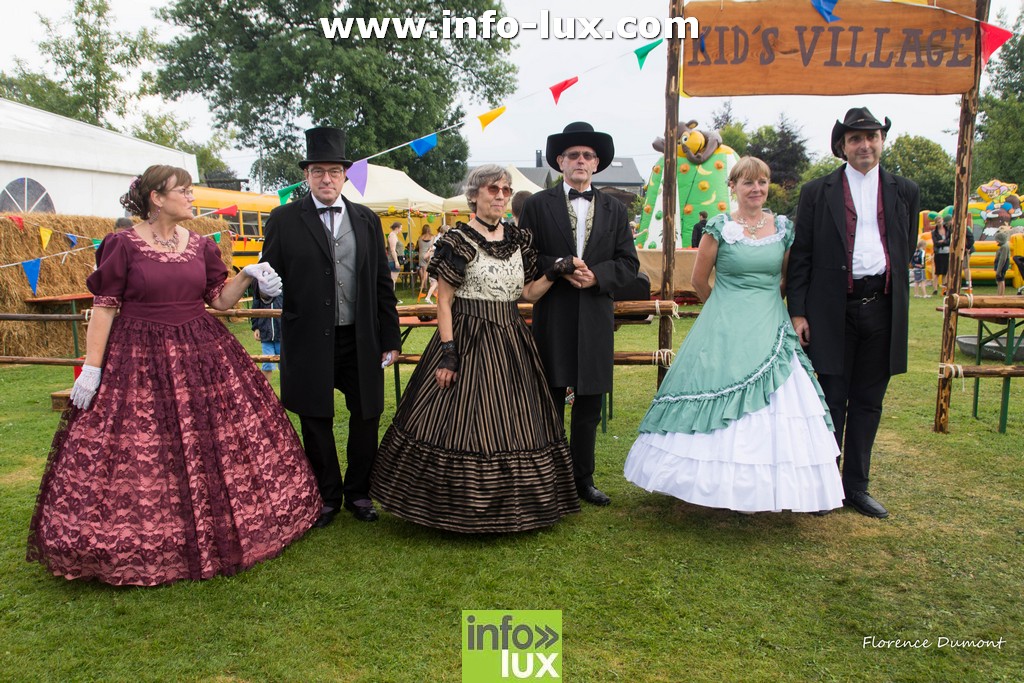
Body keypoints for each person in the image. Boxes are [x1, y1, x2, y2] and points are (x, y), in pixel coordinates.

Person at [27, 165, 321, 586]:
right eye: (181, 190)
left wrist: (246, 275)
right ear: (156, 199)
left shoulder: (201, 245)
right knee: (143, 445)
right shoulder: (122, 244)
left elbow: (219, 301)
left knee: (211, 440)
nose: (190, 196)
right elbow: (106, 306)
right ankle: (143, 541)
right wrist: (92, 367)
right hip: (138, 355)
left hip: (202, 349)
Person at [624, 157, 843, 514]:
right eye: (748, 183)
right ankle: (702, 485)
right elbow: (698, 279)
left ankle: (769, 488)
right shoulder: (719, 227)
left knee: (780, 402)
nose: (756, 189)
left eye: (762, 182)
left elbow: (787, 278)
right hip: (722, 321)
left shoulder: (784, 228)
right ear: (734, 187)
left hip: (769, 321)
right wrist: (720, 308)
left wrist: (770, 304)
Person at [370, 165, 579, 532]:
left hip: (511, 338)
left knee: (515, 420)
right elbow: (445, 302)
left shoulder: (519, 240)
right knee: (458, 420)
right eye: (492, 189)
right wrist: (449, 352)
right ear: (474, 195)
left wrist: (553, 272)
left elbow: (527, 294)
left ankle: (516, 506)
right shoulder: (457, 240)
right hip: (467, 334)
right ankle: (452, 508)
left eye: (505, 190)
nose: (500, 196)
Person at [260, 127, 402, 527]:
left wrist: (390, 337)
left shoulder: (366, 219)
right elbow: (268, 276)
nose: (326, 178)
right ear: (306, 175)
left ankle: (359, 492)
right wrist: (264, 301)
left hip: (360, 337)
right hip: (308, 338)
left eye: (334, 171)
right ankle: (326, 495)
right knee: (315, 417)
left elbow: (381, 284)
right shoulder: (285, 219)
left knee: (367, 414)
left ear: (344, 176)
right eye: (318, 171)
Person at [787, 107, 920, 519]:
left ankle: (856, 486)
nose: (865, 144)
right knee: (832, 398)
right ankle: (826, 483)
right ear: (842, 147)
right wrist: (798, 312)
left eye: (872, 136)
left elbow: (904, 245)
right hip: (831, 309)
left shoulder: (905, 190)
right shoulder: (816, 191)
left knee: (869, 400)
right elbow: (801, 256)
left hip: (881, 306)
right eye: (855, 139)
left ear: (882, 140)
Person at [518, 121, 640, 507]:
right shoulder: (538, 205)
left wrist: (596, 277)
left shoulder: (615, 209)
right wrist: (560, 265)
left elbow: (628, 263)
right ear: (560, 161)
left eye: (587, 156)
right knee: (550, 397)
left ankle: (582, 479)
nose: (580, 161)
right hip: (553, 310)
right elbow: (525, 257)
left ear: (597, 163)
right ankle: (549, 477)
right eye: (573, 155)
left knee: (588, 403)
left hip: (594, 315)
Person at [251, 281, 283, 382]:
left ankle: (288, 392)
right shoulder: (260, 290)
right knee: (267, 364)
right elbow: (255, 309)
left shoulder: (282, 289)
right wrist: (256, 327)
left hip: (281, 334)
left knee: (284, 365)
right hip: (265, 334)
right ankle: (265, 392)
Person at [930, 215, 950, 295]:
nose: (940, 223)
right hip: (938, 253)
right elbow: (936, 243)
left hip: (947, 252)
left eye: (940, 221)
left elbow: (949, 240)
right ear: (936, 223)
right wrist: (943, 242)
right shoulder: (934, 232)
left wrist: (943, 242)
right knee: (937, 272)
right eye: (938, 222)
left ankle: (944, 289)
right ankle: (935, 289)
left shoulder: (948, 229)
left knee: (945, 272)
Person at [416, 225, 434, 298]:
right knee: (430, 272)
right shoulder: (432, 237)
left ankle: (424, 287)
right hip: (429, 254)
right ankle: (429, 287)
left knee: (424, 272)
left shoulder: (420, 238)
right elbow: (432, 247)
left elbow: (419, 247)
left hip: (421, 255)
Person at [388, 221, 405, 292]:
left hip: (393, 260)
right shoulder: (392, 236)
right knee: (392, 280)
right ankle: (390, 297)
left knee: (393, 280)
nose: (401, 230)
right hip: (392, 260)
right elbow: (392, 249)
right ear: (397, 228)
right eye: (401, 228)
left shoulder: (393, 235)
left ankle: (391, 297)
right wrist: (396, 261)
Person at [994, 228, 1011, 296]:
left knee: (1000, 280)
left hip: (1001, 265)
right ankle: (1000, 294)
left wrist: (998, 270)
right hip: (1001, 265)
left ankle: (1001, 294)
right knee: (1000, 280)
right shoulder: (1004, 246)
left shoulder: (1004, 247)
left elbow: (1002, 259)